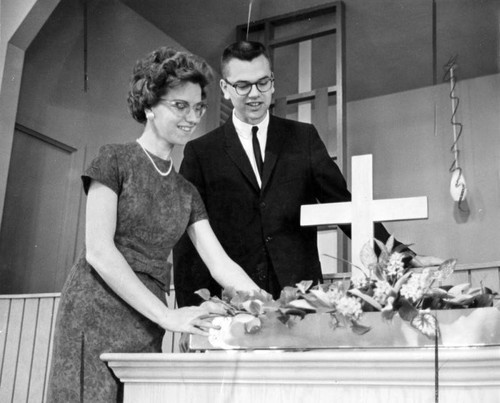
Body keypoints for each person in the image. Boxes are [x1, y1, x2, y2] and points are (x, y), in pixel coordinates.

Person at [47, 46, 259, 403]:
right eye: (180, 106)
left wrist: (269, 303)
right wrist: (167, 316)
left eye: (198, 107)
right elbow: (99, 251)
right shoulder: (114, 159)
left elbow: (220, 263)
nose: (192, 117)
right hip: (95, 310)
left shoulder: (187, 191)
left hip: (146, 320)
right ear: (148, 105)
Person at [173, 40, 440, 307]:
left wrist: (403, 257)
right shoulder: (202, 153)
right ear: (225, 88)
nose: (254, 94)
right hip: (234, 301)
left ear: (273, 83)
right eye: (242, 85)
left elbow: (347, 207)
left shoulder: (303, 139)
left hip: (302, 296)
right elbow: (188, 239)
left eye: (262, 82)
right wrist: (190, 308)